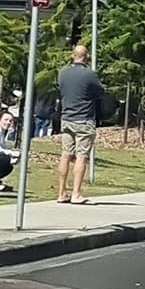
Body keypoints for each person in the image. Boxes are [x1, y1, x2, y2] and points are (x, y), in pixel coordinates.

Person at [55, 44, 108, 205]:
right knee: (81, 156)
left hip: (67, 118)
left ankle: (61, 192)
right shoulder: (89, 74)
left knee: (65, 155)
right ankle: (76, 193)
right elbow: (101, 92)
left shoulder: (62, 73)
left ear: (73, 55)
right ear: (87, 57)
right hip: (83, 119)